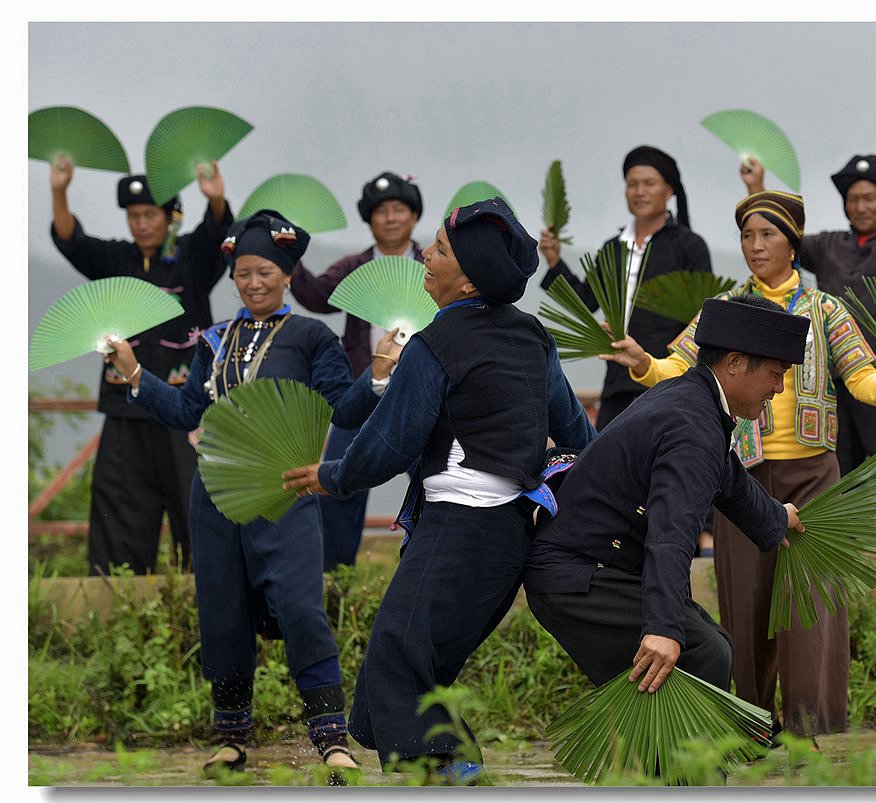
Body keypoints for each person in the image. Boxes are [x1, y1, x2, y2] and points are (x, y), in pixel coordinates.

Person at [281, 197, 596, 784]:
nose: (425, 255)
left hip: (456, 528)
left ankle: (465, 777)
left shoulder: (434, 345)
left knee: (397, 661)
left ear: (470, 277)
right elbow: (579, 433)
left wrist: (331, 476)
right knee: (419, 669)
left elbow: (386, 446)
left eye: (442, 251)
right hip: (507, 538)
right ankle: (451, 776)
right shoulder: (533, 338)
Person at [605, 191, 876, 737]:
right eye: (747, 236)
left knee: (814, 610)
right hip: (742, 478)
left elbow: (862, 378)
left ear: (793, 242)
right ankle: (753, 726)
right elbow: (679, 369)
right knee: (747, 607)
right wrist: (644, 364)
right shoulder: (723, 312)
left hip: (814, 479)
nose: (755, 246)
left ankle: (814, 728)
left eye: (767, 235)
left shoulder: (826, 308)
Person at [104, 210, 397, 780]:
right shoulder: (213, 340)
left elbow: (345, 407)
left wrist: (380, 373)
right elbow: (189, 411)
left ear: (287, 274)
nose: (254, 282)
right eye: (242, 273)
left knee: (300, 607)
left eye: (265, 271)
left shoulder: (313, 336)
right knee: (221, 611)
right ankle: (233, 739)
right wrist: (136, 375)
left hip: (284, 494)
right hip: (214, 494)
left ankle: (332, 740)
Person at [524, 295, 807, 712]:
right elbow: (671, 534)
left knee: (711, 646)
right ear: (733, 362)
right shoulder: (693, 424)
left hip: (592, 568)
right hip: (579, 577)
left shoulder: (693, 399)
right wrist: (661, 628)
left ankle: (660, 769)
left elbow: (728, 477)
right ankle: (684, 774)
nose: (778, 389)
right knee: (703, 652)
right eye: (775, 374)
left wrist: (775, 519)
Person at [741, 121, 876, 552]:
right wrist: (758, 185)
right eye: (852, 198)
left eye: (869, 197)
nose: (860, 206)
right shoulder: (825, 247)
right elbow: (776, 235)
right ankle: (833, 561)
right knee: (833, 477)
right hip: (833, 385)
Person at [50, 158, 233, 575]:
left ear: (171, 217)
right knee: (120, 515)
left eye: (150, 214)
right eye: (133, 216)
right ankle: (120, 607)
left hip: (187, 414)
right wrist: (59, 191)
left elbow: (218, 234)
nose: (142, 224)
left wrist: (216, 198)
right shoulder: (116, 260)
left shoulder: (193, 259)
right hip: (124, 411)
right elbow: (72, 241)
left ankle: (206, 604)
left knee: (198, 511)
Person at [290, 171, 425, 569]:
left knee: (430, 484)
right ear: (369, 220)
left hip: (422, 398)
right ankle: (334, 578)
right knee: (337, 485)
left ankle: (426, 568)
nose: (391, 218)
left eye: (399, 209)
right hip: (362, 394)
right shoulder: (356, 267)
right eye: (381, 211)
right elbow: (316, 296)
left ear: (414, 216)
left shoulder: (433, 265)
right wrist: (290, 254)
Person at [538, 144, 713, 430]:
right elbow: (585, 301)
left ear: (670, 190)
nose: (639, 191)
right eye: (632, 184)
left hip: (671, 380)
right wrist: (555, 261)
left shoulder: (688, 246)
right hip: (618, 380)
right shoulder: (613, 249)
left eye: (649, 183)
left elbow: (704, 316)